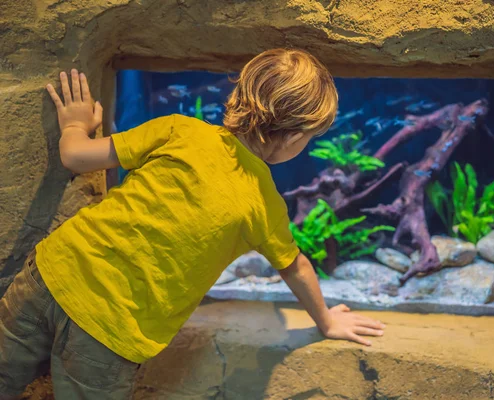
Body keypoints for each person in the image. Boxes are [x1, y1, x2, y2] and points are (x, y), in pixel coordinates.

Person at [0, 48, 385, 399]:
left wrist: (74, 124)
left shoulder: (179, 129)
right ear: (295, 138)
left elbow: (75, 155)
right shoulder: (262, 202)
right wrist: (327, 321)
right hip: (110, 330)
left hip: (50, 274)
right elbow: (295, 266)